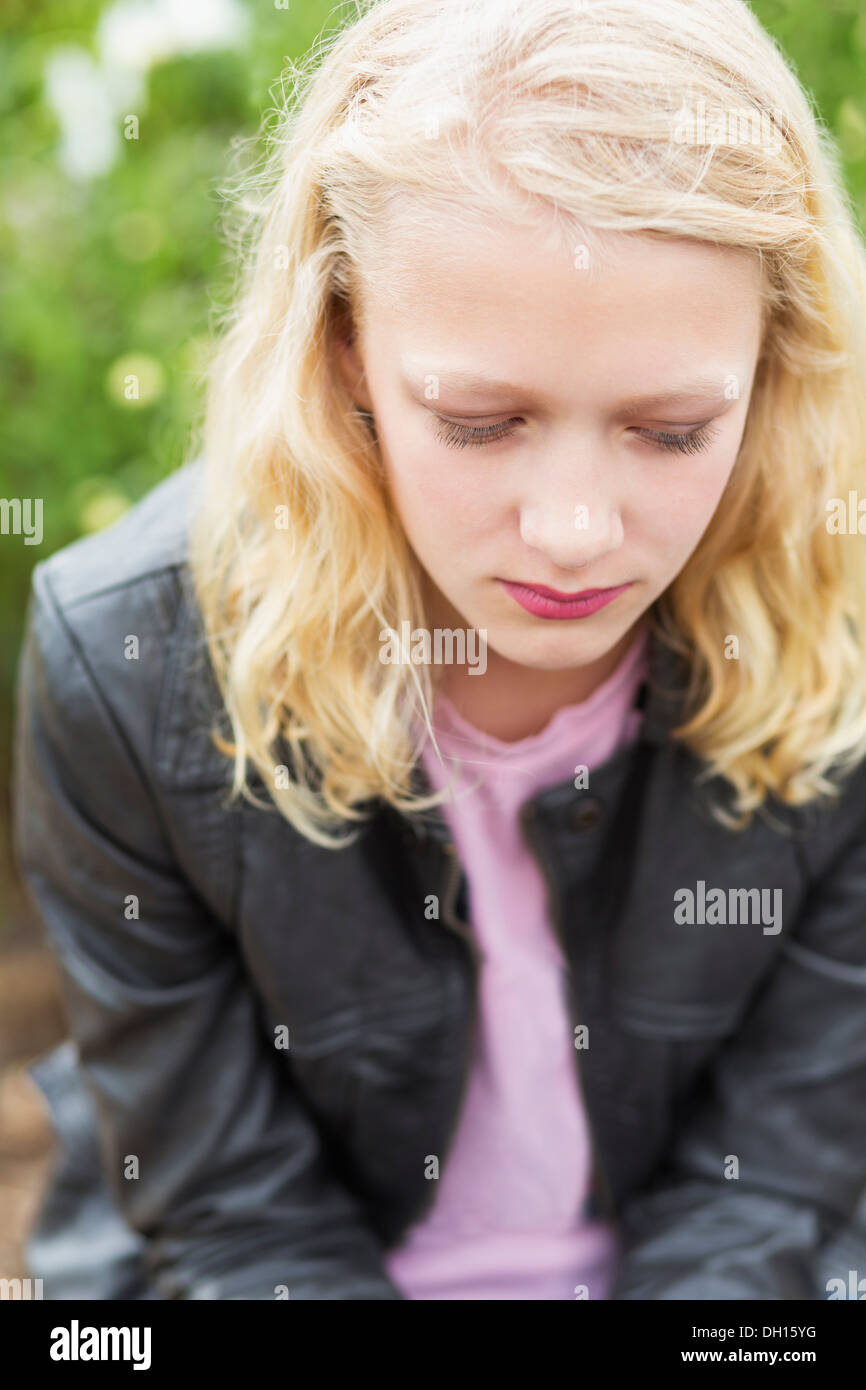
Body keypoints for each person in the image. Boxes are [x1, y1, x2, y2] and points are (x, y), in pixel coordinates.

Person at [12, 0, 866, 1300]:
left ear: (777, 363)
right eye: (479, 422)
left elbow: (774, 1195)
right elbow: (234, 1216)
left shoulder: (839, 627)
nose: (574, 534)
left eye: (671, 429)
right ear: (345, 344)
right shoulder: (127, 662)